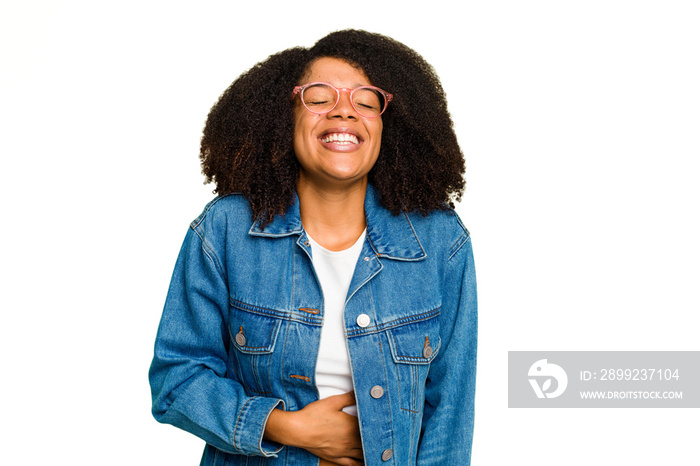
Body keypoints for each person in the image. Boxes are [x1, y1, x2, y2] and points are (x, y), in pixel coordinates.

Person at [149, 29, 477, 466]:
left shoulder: (440, 240)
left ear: (387, 125)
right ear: (285, 116)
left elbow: (449, 414)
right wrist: (286, 427)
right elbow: (176, 379)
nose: (344, 112)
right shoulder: (225, 230)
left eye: (366, 101)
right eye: (320, 98)